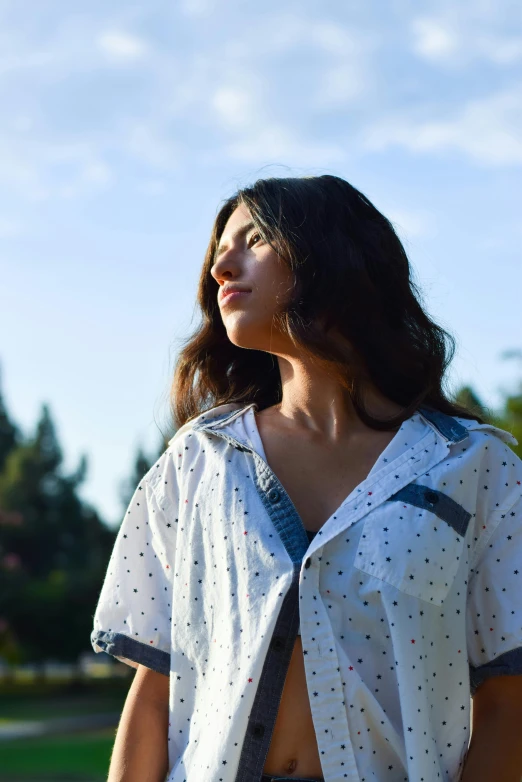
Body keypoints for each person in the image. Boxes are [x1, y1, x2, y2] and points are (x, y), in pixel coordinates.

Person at [91, 174, 522, 782]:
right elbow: (155, 686)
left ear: (334, 253)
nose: (222, 268)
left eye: (256, 237)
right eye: (218, 252)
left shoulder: (477, 468)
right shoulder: (196, 463)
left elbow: (509, 702)